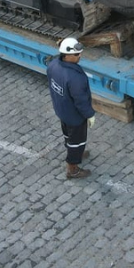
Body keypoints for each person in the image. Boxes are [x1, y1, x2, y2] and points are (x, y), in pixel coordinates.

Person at [47, 37, 95, 180]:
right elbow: (81, 101)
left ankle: (73, 152)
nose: (80, 56)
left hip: (62, 109)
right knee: (77, 141)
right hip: (75, 117)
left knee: (68, 135)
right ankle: (72, 168)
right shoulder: (75, 78)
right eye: (77, 54)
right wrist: (89, 114)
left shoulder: (53, 65)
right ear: (67, 55)